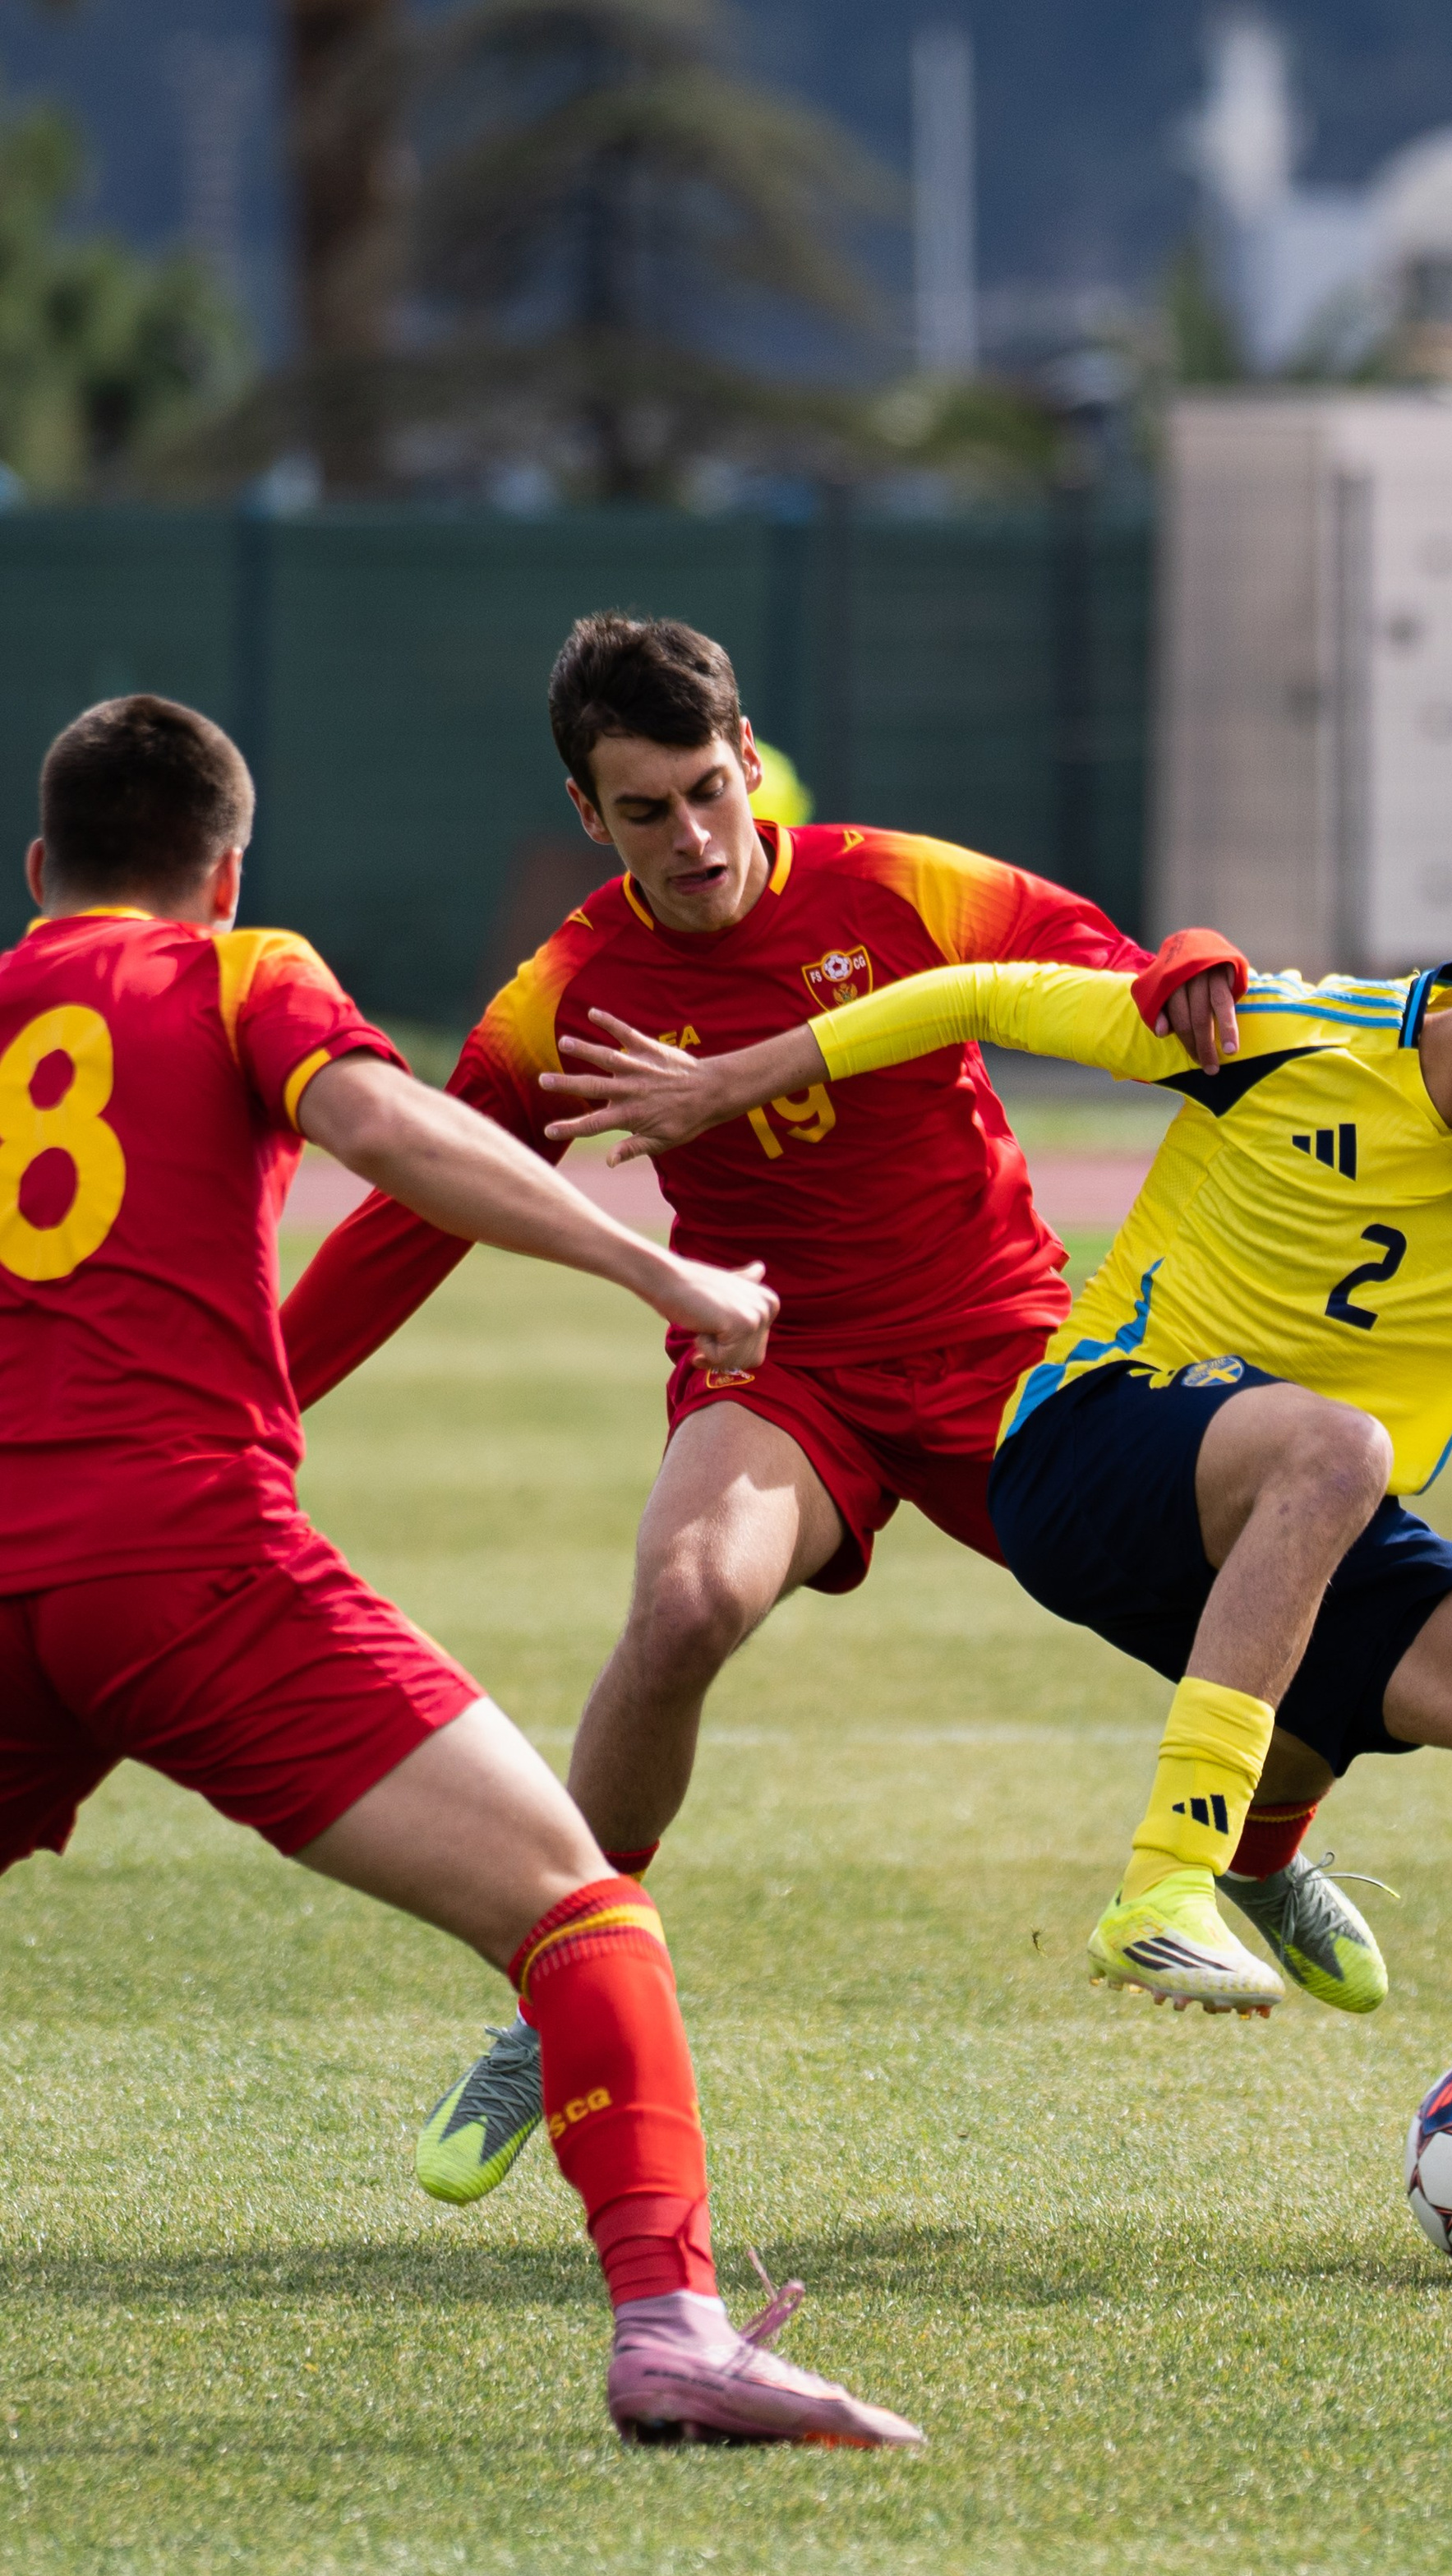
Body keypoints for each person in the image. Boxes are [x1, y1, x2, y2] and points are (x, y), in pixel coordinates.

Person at [546, 871, 1452, 2259]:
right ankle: (1163, 1887)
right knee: (1338, 1448)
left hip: (1305, 1519)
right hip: (1087, 1452)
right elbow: (975, 992)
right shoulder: (1279, 1036)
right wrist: (732, 1077)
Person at [0, 693, 918, 2449]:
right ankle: (671, 2328)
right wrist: (675, 1281)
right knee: (579, 1912)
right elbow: (401, 1137)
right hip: (186, 1557)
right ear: (228, 868)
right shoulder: (243, 972)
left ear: (42, 870)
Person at [276, 612, 1245, 2205]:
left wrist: (1192, 959)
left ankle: (1256, 1849)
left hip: (1001, 1345)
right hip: (780, 1361)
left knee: (1222, 1600)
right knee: (680, 1605)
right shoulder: (570, 986)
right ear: (589, 816)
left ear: (748, 761)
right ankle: (556, 1991)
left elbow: (1109, 964)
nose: (694, 836)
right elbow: (419, 1207)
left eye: (710, 791)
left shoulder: (899, 885)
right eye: (645, 811)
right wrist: (266, 1397)